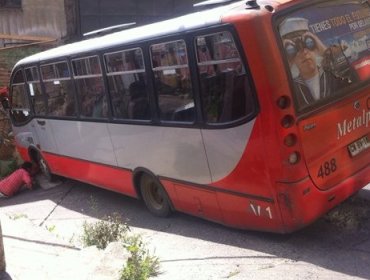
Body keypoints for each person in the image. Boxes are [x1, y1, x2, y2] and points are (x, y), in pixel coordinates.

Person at [280, 17, 355, 109]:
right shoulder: (292, 88)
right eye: (293, 50)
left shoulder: (333, 75)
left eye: (308, 43)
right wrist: (285, 61)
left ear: (315, 45)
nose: (304, 52)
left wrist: (324, 51)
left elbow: (354, 81)